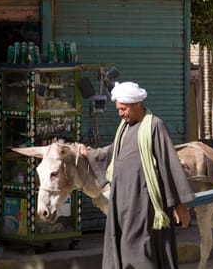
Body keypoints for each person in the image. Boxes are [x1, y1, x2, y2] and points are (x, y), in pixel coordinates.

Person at [80, 81, 195, 269]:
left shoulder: (155, 126)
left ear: (136, 104)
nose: (120, 113)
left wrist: (179, 204)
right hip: (122, 203)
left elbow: (169, 164)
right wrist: (90, 154)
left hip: (144, 205)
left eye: (123, 109)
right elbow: (113, 153)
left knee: (141, 249)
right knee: (123, 247)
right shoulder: (124, 127)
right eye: (118, 109)